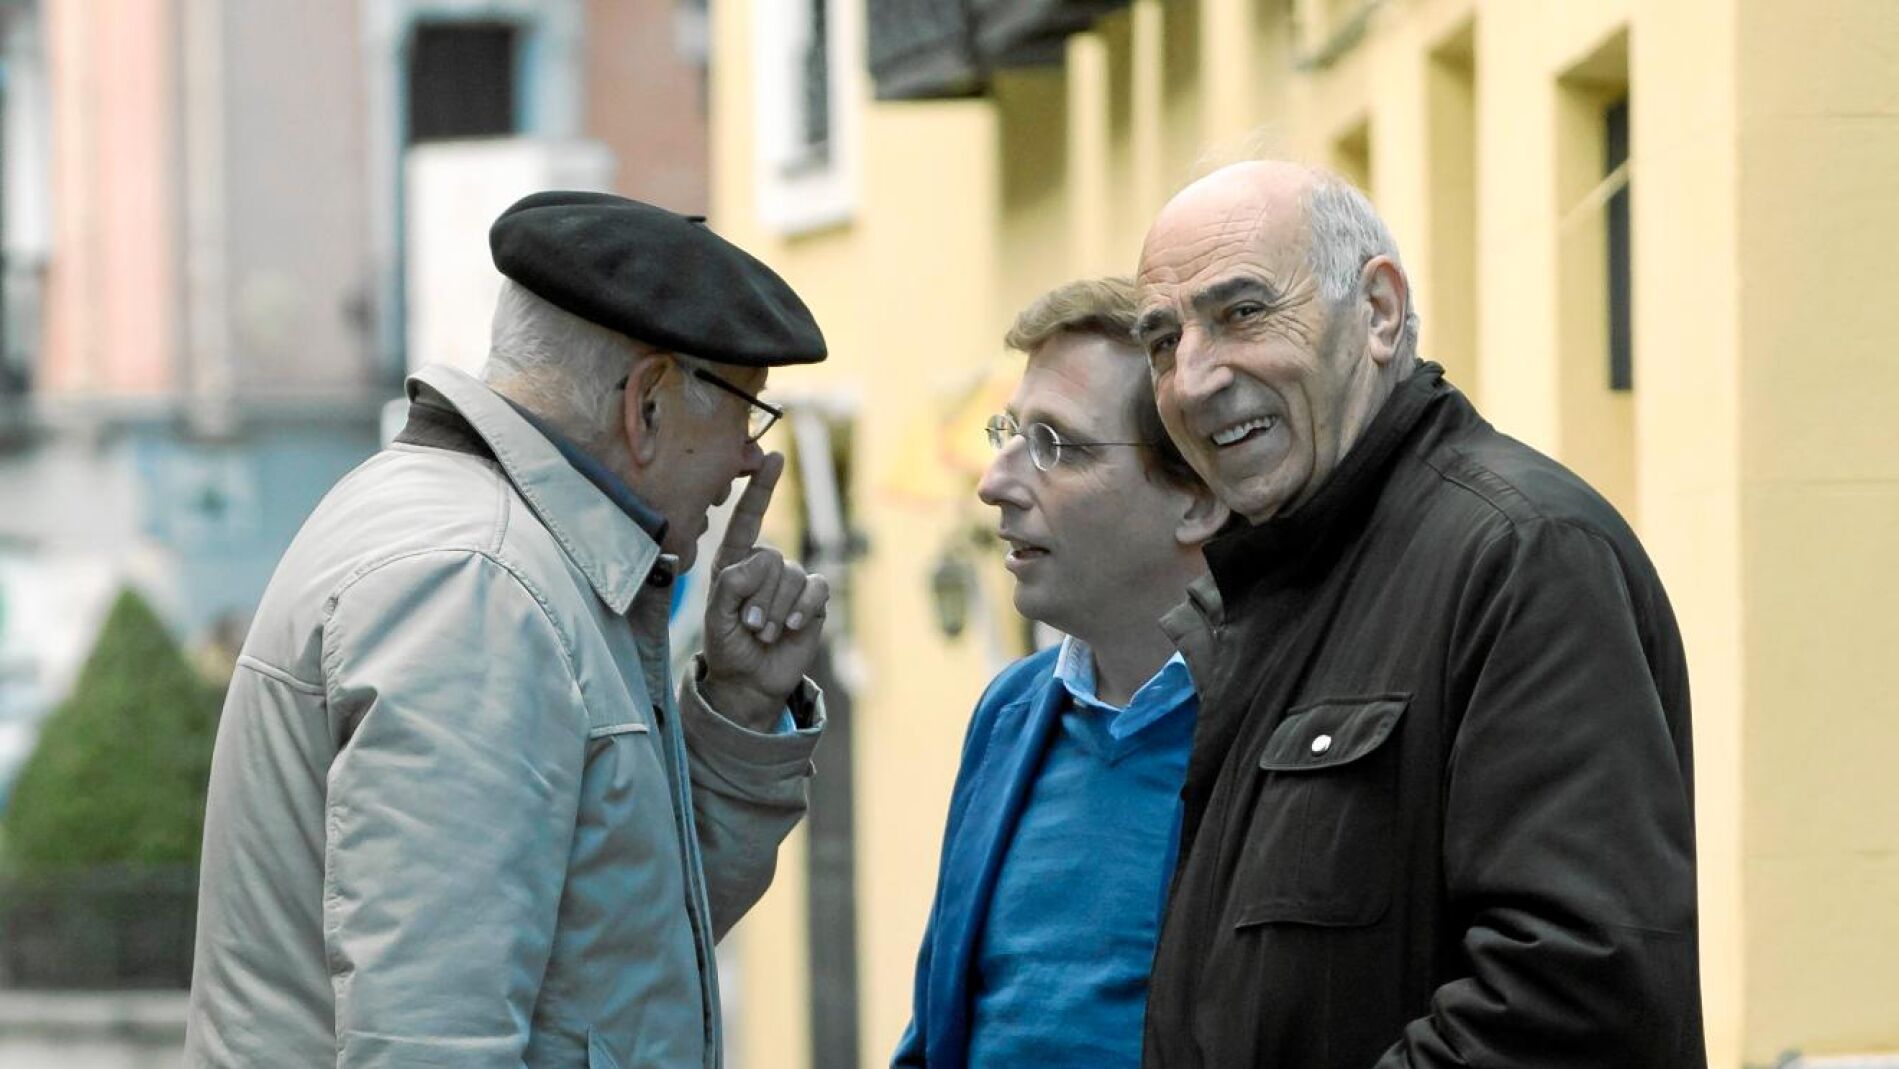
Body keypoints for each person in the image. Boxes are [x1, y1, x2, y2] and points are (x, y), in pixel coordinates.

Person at [187, 192, 833, 1068]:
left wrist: (740, 708)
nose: (749, 457)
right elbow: (430, 1043)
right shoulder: (478, 585)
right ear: (646, 402)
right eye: (744, 411)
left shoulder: (496, 552)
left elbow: (618, 954)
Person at [1131, 161, 1704, 1068]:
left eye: (1241, 312)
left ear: (1378, 312)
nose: (1192, 378)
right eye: (1163, 342)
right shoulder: (1279, 579)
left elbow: (1572, 996)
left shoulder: (1523, 554)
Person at [893, 278, 1229, 1069]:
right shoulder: (1010, 712)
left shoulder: (1284, 718)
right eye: (1008, 432)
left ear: (1194, 498)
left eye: (1053, 444)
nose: (994, 482)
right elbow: (936, 1029)